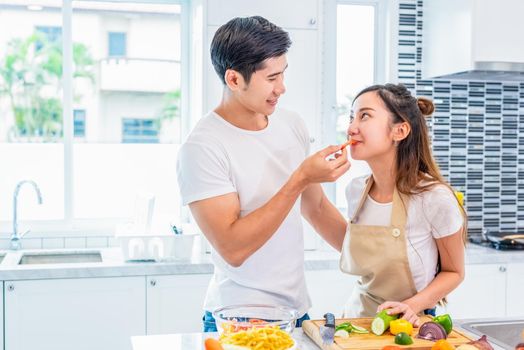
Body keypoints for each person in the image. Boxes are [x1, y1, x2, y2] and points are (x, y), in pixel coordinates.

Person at [176, 16, 350, 332]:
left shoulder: (291, 124)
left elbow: (317, 208)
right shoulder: (202, 147)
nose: (281, 88)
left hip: (296, 312)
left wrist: (378, 262)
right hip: (238, 319)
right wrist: (300, 177)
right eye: (271, 78)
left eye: (283, 74)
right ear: (233, 79)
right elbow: (233, 248)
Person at [337, 83, 467, 326]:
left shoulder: (434, 197)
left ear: (400, 131)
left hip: (409, 326)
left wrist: (412, 305)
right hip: (356, 322)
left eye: (364, 116)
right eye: (351, 117)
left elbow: (454, 272)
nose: (351, 128)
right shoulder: (355, 190)